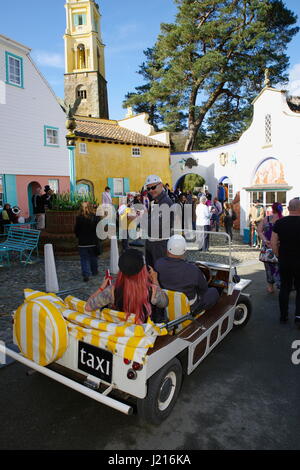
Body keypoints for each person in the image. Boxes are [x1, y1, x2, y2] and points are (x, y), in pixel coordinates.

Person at [85, 248, 169, 324]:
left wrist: (101, 288)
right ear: (142, 270)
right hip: (143, 336)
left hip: (121, 334)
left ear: (121, 269)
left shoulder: (112, 291)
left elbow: (88, 307)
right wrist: (155, 281)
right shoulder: (153, 290)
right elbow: (165, 303)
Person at [155, 235, 219, 315]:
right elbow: (204, 289)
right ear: (184, 251)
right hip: (190, 308)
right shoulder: (193, 269)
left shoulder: (158, 263)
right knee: (213, 291)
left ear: (167, 250)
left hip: (166, 305)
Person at [271, 198, 300, 325]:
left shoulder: (280, 223)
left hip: (285, 260)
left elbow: (273, 242)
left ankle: (283, 316)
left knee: (285, 288)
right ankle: (298, 317)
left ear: (288, 209)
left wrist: (278, 255)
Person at [144, 175, 174, 267]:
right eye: (148, 188)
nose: (151, 190)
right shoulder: (155, 201)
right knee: (151, 271)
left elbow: (157, 228)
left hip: (159, 245)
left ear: (161, 185)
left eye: (153, 187)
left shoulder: (165, 202)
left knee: (159, 273)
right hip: (152, 243)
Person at [257, 202, 283, 294]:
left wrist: (265, 240)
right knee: (280, 267)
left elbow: (259, 231)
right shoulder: (283, 219)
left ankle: (270, 287)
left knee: (268, 267)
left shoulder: (266, 219)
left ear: (272, 209)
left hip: (267, 247)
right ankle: (281, 285)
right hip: (279, 247)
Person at [74, 201, 100, 282]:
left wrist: (79, 236)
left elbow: (76, 230)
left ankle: (86, 274)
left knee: (84, 259)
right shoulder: (95, 217)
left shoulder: (79, 218)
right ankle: (94, 271)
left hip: (82, 242)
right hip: (93, 241)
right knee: (93, 257)